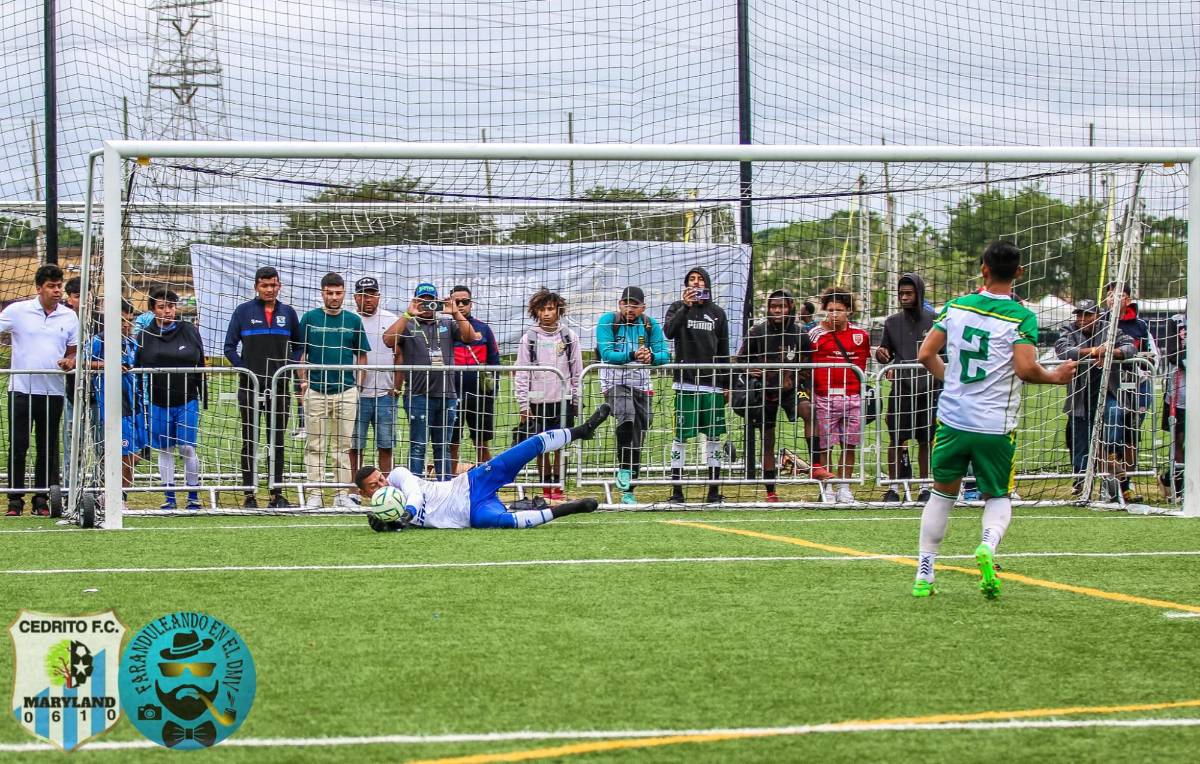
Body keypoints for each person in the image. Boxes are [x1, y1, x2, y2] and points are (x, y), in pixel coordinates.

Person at [911, 240, 1075, 599]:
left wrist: (951, 381)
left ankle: (925, 573)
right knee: (997, 494)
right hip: (994, 426)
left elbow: (925, 353)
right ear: (1019, 272)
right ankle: (987, 545)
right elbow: (1026, 369)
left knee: (941, 495)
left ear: (983, 268)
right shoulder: (1021, 316)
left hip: (953, 420)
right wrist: (1056, 376)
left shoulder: (956, 307)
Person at [355, 404, 611, 531]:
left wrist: (407, 513)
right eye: (374, 486)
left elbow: (415, 492)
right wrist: (390, 525)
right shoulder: (384, 512)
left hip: (470, 483)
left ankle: (581, 431)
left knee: (524, 448)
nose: (382, 485)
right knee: (505, 523)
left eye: (380, 479)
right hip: (469, 514)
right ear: (366, 495)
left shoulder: (398, 476)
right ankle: (566, 509)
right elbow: (402, 525)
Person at [736, 290, 831, 502]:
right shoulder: (757, 332)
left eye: (782, 306)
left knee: (809, 410)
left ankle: (816, 465)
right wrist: (749, 369)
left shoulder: (799, 335)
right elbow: (740, 360)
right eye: (774, 306)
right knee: (768, 440)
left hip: (790, 389)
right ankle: (771, 493)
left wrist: (797, 379)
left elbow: (807, 364)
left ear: (790, 308)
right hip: (765, 391)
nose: (778, 310)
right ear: (769, 308)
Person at [0, 264, 79, 516]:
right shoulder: (17, 311)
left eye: (59, 286)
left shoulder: (69, 316)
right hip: (21, 389)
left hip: (52, 391)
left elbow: (73, 350)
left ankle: (42, 499)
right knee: (18, 444)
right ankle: (14, 501)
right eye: (51, 286)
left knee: (47, 446)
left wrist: (70, 361)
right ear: (38, 288)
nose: (57, 291)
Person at [223, 266, 303, 509]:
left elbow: (299, 346)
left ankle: (276, 492)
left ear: (279, 286)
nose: (270, 289)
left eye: (274, 285)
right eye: (265, 285)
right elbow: (229, 347)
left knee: (276, 440)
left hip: (279, 388)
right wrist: (244, 368)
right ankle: (249, 494)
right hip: (250, 386)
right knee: (250, 439)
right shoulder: (243, 312)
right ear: (256, 286)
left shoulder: (288, 313)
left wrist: (287, 367)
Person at [383, 282, 479, 481]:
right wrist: (408, 313)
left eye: (430, 300)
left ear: (437, 301)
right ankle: (415, 488)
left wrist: (455, 313)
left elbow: (470, 337)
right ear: (416, 300)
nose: (427, 304)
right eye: (422, 300)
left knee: (443, 446)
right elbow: (388, 340)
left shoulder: (447, 324)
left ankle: (444, 490)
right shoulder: (409, 324)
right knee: (418, 445)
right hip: (418, 395)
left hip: (447, 395)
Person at [297, 272, 370, 510]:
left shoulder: (353, 320)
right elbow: (300, 354)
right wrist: (303, 382)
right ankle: (314, 493)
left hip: (346, 391)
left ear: (344, 293)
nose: (334, 297)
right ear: (322, 293)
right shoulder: (309, 318)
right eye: (330, 293)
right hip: (316, 390)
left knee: (342, 445)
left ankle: (341, 493)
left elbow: (362, 355)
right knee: (314, 445)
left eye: (338, 293)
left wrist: (358, 385)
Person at [134, 287, 207, 511]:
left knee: (187, 448)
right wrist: (140, 400)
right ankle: (169, 496)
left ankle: (193, 495)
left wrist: (203, 392)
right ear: (153, 310)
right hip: (158, 401)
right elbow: (138, 366)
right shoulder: (145, 334)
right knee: (164, 449)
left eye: (171, 306)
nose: (167, 311)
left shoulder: (188, 330)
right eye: (162, 307)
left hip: (187, 399)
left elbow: (200, 361)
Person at [662, 267, 730, 504]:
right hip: (686, 383)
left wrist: (726, 384)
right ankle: (677, 491)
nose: (696, 283)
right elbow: (668, 333)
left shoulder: (718, 313)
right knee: (680, 438)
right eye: (692, 279)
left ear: (707, 284)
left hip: (711, 386)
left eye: (700, 279)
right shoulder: (677, 308)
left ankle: (713, 491)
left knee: (713, 437)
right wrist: (685, 307)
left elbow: (723, 351)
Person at [595, 286, 670, 504]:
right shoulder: (608, 321)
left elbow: (665, 353)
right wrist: (632, 354)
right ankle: (623, 469)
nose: (629, 308)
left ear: (642, 307)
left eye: (634, 305)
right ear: (619, 304)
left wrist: (652, 357)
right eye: (625, 303)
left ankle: (629, 489)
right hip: (614, 383)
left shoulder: (649, 324)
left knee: (639, 433)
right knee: (626, 414)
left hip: (641, 385)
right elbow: (607, 353)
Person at [1054, 299, 1135, 497]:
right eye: (1079, 315)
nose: (1082, 319)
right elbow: (1062, 350)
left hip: (1108, 391)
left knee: (1115, 413)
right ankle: (1082, 480)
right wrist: (1092, 352)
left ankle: (1111, 456)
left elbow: (1130, 347)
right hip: (1080, 396)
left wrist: (1110, 353)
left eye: (1087, 315)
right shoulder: (1069, 329)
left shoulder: (1109, 329)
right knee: (1080, 440)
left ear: (1096, 315)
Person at [875, 273, 939, 503]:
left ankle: (924, 487)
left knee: (926, 439)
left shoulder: (935, 320)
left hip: (929, 388)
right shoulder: (892, 322)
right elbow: (885, 352)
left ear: (919, 293)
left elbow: (944, 354)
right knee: (896, 439)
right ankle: (894, 487)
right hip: (901, 389)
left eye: (908, 293)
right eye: (901, 293)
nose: (903, 297)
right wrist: (882, 355)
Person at [514, 289, 583, 500]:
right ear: (535, 311)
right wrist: (524, 405)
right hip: (538, 401)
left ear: (558, 310)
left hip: (563, 401)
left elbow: (577, 370)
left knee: (560, 445)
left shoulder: (569, 336)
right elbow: (522, 372)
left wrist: (577, 399)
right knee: (541, 446)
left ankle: (559, 485)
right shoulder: (529, 339)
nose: (546, 313)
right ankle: (546, 485)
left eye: (550, 309)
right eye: (542, 309)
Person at [808, 286, 871, 504]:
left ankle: (845, 487)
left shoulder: (861, 336)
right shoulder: (815, 335)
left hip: (853, 397)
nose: (834, 314)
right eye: (830, 310)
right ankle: (828, 488)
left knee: (849, 444)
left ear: (849, 311)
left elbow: (864, 364)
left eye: (839, 310)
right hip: (824, 397)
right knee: (826, 445)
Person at [1104, 281, 1158, 503]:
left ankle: (1129, 482)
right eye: (1108, 294)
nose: (1111, 299)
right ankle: (1107, 483)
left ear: (1127, 299)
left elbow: (1152, 355)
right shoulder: (1101, 323)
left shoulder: (1140, 326)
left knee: (1131, 436)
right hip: (1110, 387)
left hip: (1137, 386)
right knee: (1109, 433)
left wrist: (1141, 359)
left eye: (1117, 295)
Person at [347, 276, 399, 495]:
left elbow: (400, 354)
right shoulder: (347, 320)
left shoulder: (391, 319)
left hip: (385, 393)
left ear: (378, 296)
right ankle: (354, 487)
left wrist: (396, 385)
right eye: (362, 294)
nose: (367, 299)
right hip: (354, 393)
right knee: (355, 446)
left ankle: (385, 488)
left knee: (385, 445)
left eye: (371, 294)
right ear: (355, 297)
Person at [91, 299, 145, 503]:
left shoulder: (132, 342)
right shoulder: (100, 341)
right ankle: (112, 496)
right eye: (122, 320)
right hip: (114, 404)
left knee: (135, 453)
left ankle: (119, 495)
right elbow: (82, 361)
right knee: (121, 452)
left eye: (129, 320)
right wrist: (107, 364)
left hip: (135, 404)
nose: (126, 324)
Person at [448, 285, 501, 470]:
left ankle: (486, 481)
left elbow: (494, 362)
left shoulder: (483, 329)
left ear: (471, 303)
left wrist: (492, 392)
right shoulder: (445, 328)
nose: (461, 305)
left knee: (481, 441)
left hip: (479, 396)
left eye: (465, 301)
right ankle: (451, 483)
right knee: (451, 443)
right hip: (451, 396)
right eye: (456, 302)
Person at [1160, 310, 1186, 499]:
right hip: (1179, 393)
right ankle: (1177, 487)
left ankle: (1170, 478)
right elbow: (1171, 353)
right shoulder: (1175, 321)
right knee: (1179, 439)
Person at [60, 276, 82, 488]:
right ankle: (69, 489)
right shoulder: (64, 319)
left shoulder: (103, 321)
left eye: (87, 294)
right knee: (72, 443)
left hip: (99, 394)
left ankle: (103, 490)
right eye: (77, 296)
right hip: (70, 392)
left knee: (103, 445)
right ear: (70, 299)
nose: (83, 299)